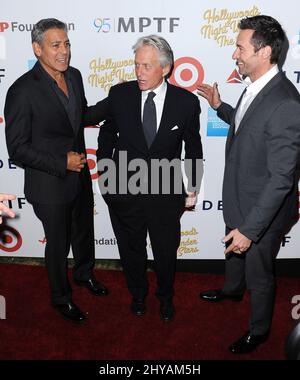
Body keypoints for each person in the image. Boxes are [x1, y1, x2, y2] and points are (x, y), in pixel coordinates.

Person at [198, 15, 300, 353]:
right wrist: (219, 107)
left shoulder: (285, 103)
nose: (234, 55)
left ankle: (259, 331)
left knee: (259, 274)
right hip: (240, 197)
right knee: (233, 253)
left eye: (240, 48)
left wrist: (251, 229)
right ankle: (231, 289)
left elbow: (282, 179)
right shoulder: (256, 86)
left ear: (265, 52)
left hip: (263, 213)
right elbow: (247, 127)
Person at [5, 18, 109, 323]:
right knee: (58, 243)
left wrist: (115, 100)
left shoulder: (74, 76)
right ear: (37, 49)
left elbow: (80, 117)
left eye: (66, 44)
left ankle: (84, 274)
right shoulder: (22, 91)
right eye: (55, 45)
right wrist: (61, 163)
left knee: (83, 231)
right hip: (48, 183)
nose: (63, 51)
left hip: (79, 177)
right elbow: (18, 149)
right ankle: (61, 298)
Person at [97, 35, 203, 322]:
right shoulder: (120, 95)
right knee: (131, 250)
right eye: (136, 65)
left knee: (166, 252)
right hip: (123, 187)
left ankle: (166, 297)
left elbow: (193, 147)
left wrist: (192, 186)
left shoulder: (187, 102)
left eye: (146, 66)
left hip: (165, 190)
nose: (139, 72)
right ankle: (138, 295)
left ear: (165, 68)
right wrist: (105, 170)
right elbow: (106, 131)